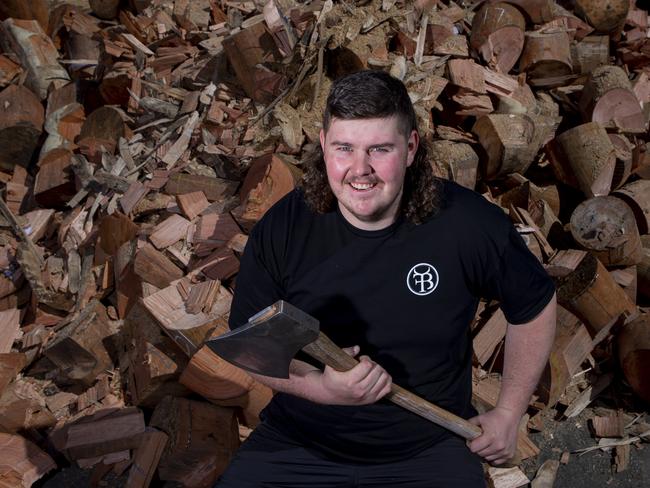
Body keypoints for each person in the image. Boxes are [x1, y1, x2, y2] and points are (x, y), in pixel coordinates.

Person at [216, 70, 557, 487]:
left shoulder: (465, 224)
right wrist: (323, 390)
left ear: (411, 147)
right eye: (344, 148)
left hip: (427, 449)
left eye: (380, 149)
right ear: (323, 146)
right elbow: (250, 346)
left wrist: (508, 412)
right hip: (298, 445)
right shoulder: (285, 227)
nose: (360, 170)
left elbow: (534, 305)